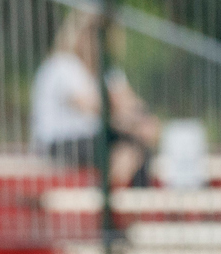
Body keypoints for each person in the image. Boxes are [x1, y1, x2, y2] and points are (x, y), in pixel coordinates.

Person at [30, 10, 160, 186]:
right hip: (59, 142)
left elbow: (131, 104)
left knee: (135, 147)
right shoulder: (63, 65)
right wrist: (134, 123)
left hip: (91, 138)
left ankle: (119, 199)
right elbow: (96, 106)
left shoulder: (108, 71)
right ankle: (110, 198)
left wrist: (141, 121)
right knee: (129, 146)